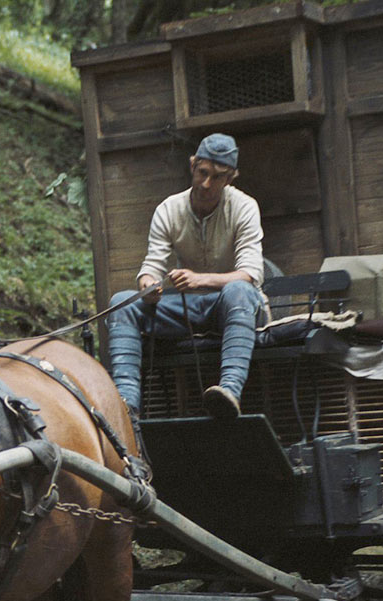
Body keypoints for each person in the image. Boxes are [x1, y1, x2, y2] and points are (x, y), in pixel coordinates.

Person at [107, 133, 267, 418]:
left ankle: (228, 391)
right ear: (192, 165)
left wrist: (199, 280)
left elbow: (251, 274)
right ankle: (125, 404)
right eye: (202, 172)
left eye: (217, 177)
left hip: (234, 307)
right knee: (123, 302)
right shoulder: (169, 209)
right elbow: (151, 265)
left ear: (231, 178)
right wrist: (149, 285)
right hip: (188, 309)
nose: (206, 184)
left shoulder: (244, 207)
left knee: (239, 291)